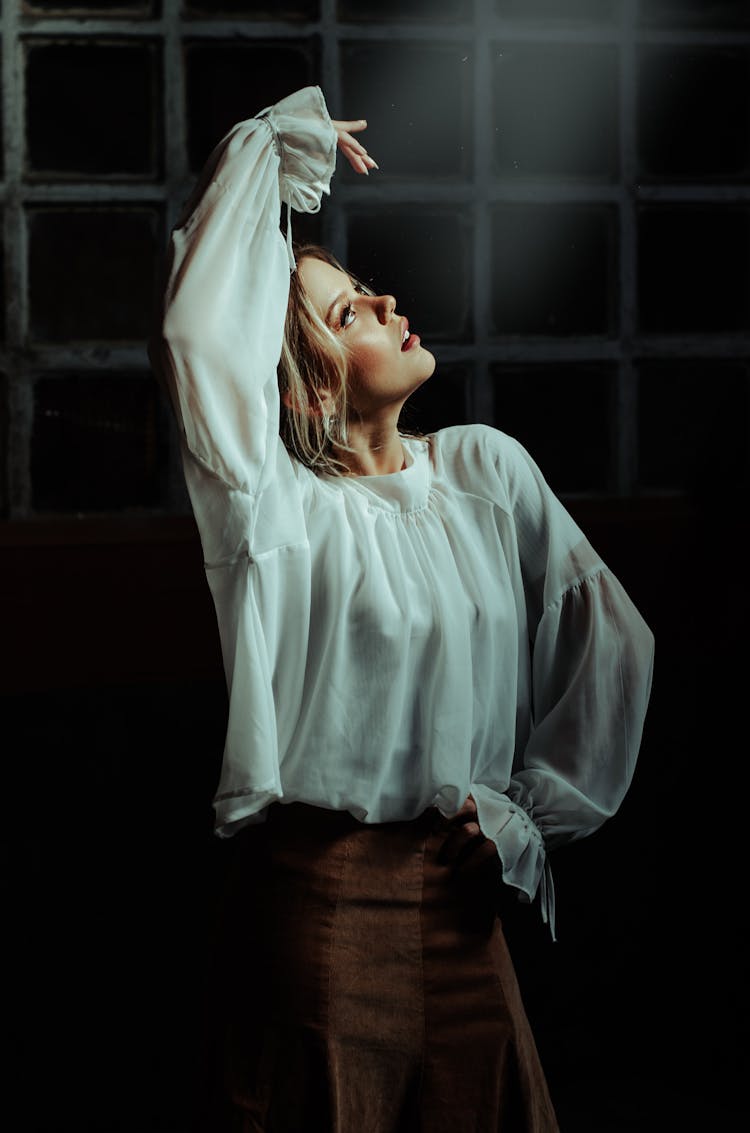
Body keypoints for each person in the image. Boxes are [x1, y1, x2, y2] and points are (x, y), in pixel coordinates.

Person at [149, 86, 654, 1133]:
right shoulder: (273, 508)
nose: (383, 306)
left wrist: (528, 809)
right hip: (320, 909)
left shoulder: (485, 468)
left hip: (467, 913)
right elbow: (200, 336)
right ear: (305, 389)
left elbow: (611, 639)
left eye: (369, 292)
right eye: (346, 313)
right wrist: (270, 146)